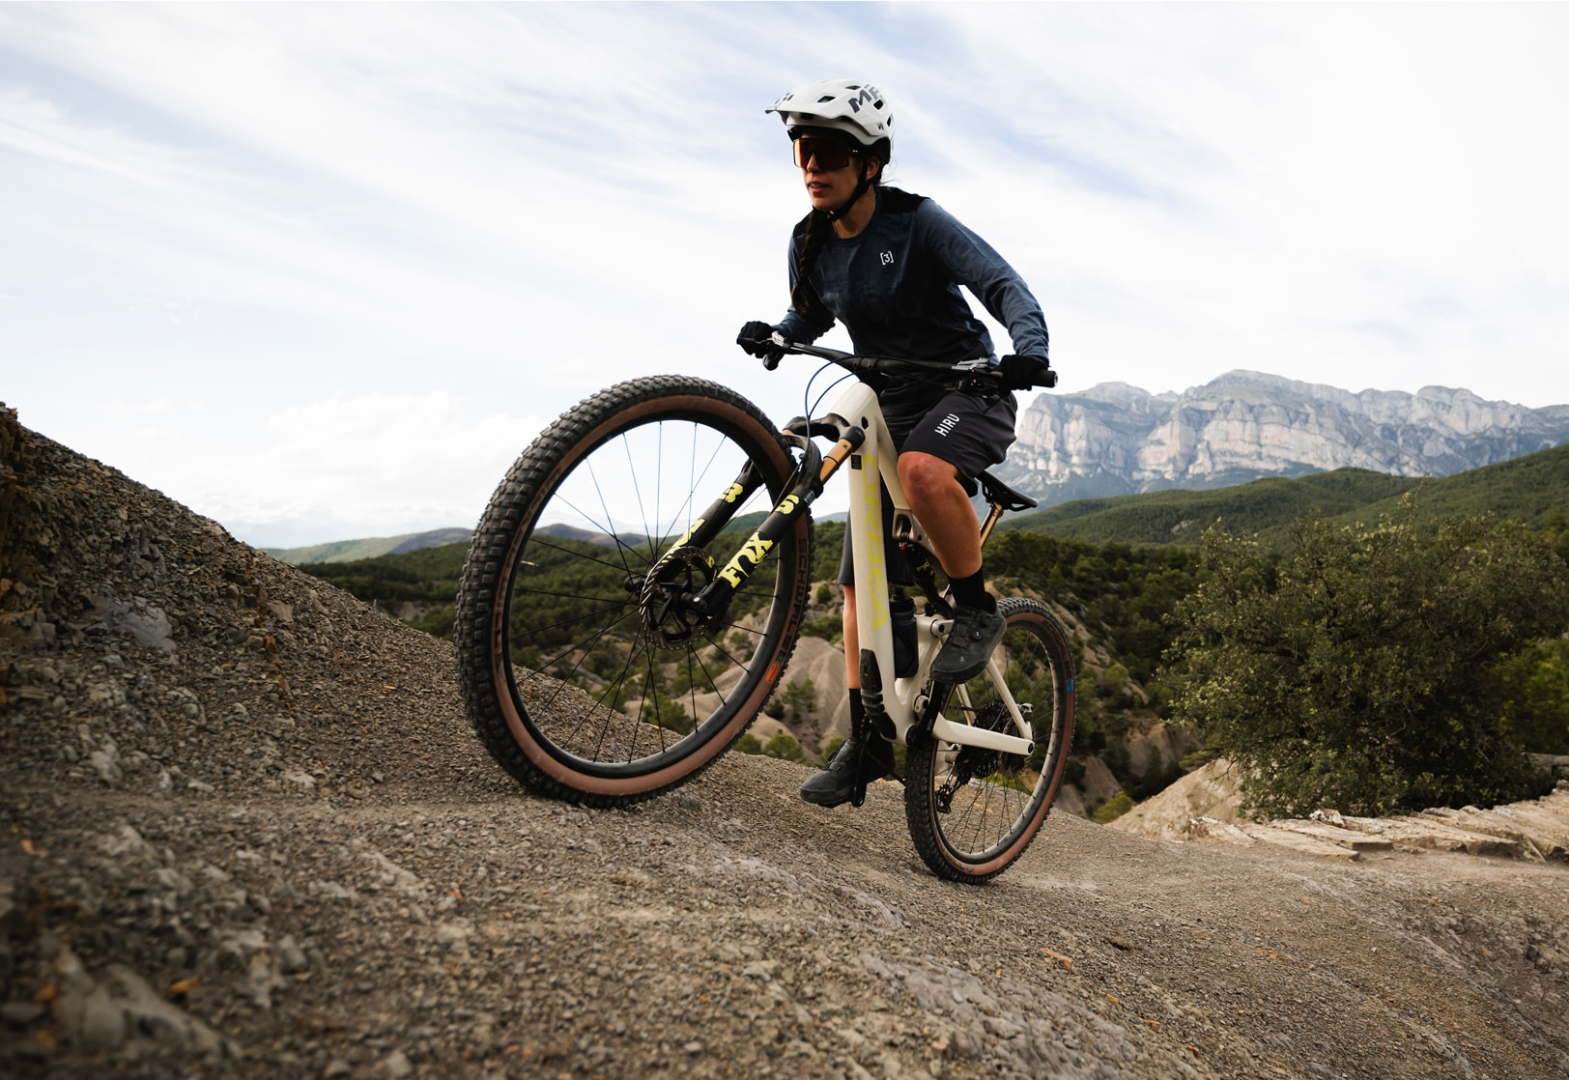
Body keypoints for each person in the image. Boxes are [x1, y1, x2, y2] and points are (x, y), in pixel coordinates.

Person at [738, 77, 1051, 808]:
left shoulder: (918, 223)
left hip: (965, 389)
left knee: (922, 470)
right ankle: (871, 739)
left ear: (870, 162)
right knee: (860, 586)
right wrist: (781, 333)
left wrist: (1028, 350)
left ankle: (975, 608)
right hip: (888, 401)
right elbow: (811, 313)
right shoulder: (809, 240)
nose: (811, 166)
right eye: (801, 150)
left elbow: (1005, 286)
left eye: (828, 153)